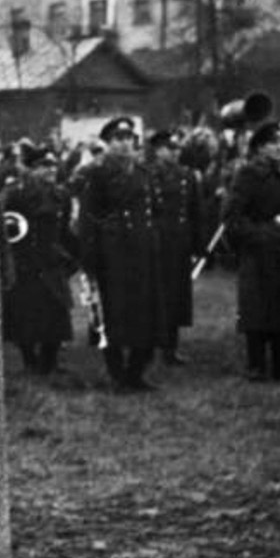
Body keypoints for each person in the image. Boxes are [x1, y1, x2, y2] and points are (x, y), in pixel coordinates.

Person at [77, 116, 166, 391]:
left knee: (145, 314)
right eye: (118, 138)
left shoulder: (142, 171)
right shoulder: (97, 172)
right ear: (108, 143)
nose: (125, 143)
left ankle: (136, 372)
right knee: (113, 315)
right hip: (112, 254)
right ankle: (117, 374)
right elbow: (88, 217)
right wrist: (89, 257)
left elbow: (154, 210)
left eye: (129, 138)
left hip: (143, 251)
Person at [1, 145, 78, 376]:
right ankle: (30, 361)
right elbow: (9, 226)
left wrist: (71, 256)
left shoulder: (61, 195)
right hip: (25, 261)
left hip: (52, 260)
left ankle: (50, 362)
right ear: (30, 169)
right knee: (25, 313)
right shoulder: (15, 193)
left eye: (52, 166)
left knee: (57, 312)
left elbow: (64, 229)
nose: (50, 171)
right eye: (44, 166)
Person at [222, 120, 280, 381]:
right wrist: (267, 232)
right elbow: (232, 219)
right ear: (259, 148)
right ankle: (255, 364)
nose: (279, 147)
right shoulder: (248, 175)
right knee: (257, 310)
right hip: (258, 253)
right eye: (274, 142)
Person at [147, 129, 203, 365]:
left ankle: (171, 349)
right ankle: (148, 347)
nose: (174, 153)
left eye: (176, 148)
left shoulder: (187, 176)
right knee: (154, 295)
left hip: (179, 242)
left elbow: (195, 211)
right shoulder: (147, 175)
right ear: (158, 150)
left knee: (176, 297)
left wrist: (198, 245)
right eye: (169, 148)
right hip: (155, 242)